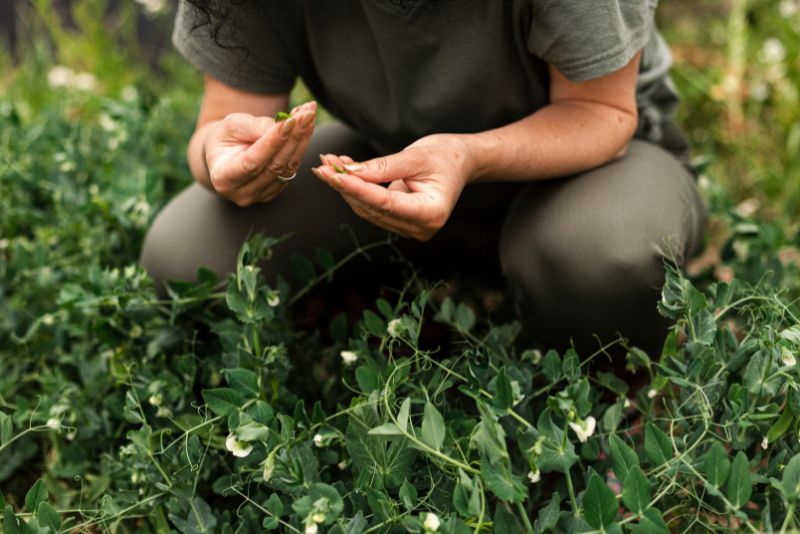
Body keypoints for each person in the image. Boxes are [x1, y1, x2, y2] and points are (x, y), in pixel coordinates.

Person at [140, 0, 708, 356]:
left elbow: (602, 113)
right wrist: (225, 158)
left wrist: (467, 157)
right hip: (400, 160)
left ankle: (614, 378)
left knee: (602, 259)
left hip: (592, 165)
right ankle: (419, 273)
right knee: (188, 257)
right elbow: (221, 119)